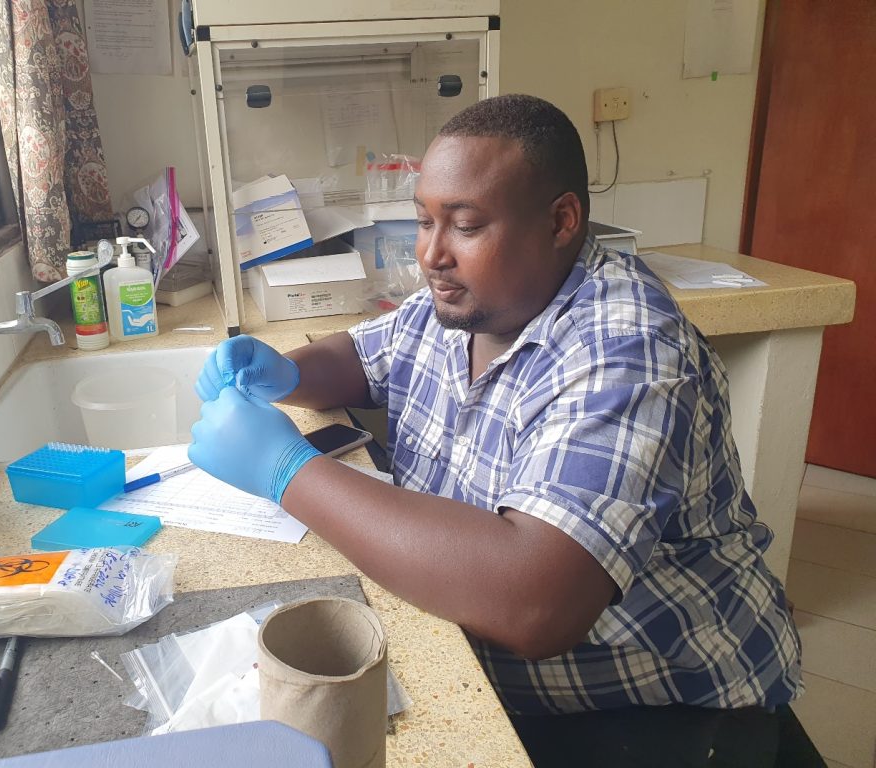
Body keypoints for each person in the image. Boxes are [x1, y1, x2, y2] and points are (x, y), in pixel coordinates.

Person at [189, 94, 811, 767]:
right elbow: (366, 358)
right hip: (494, 667)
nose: (432, 254)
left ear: (561, 221)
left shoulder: (625, 350)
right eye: (424, 221)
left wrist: (287, 470)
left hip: (658, 707)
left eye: (466, 225)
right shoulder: (469, 300)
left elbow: (537, 602)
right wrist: (286, 370)